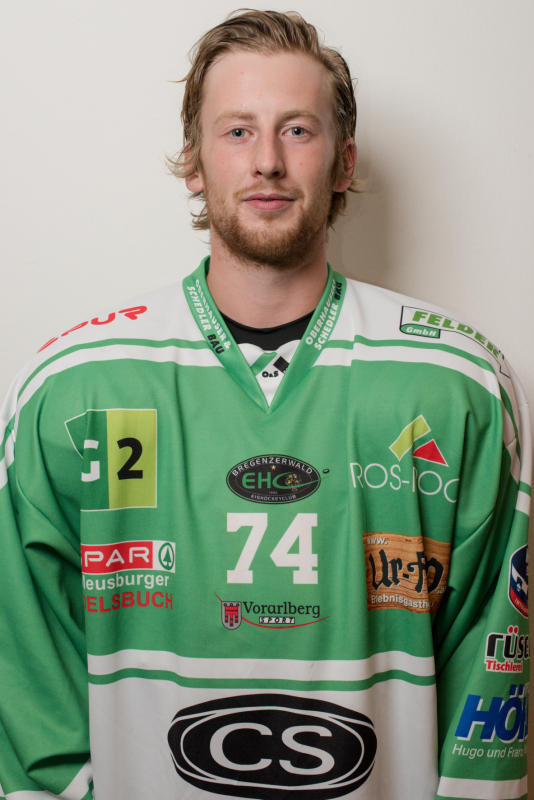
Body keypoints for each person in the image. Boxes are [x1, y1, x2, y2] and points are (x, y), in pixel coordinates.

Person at [0, 9, 529, 800]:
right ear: (193, 162)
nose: (268, 162)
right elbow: (25, 687)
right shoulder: (77, 385)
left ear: (344, 162)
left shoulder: (455, 382)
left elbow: (491, 683)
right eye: (238, 131)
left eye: (298, 131)